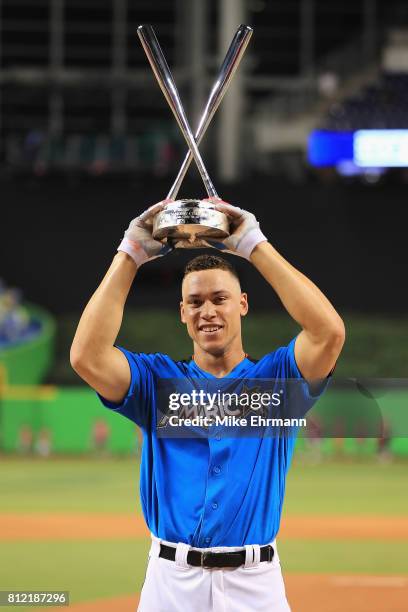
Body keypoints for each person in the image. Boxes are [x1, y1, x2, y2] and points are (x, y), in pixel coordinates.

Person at [70, 199, 345, 611]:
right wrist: (130, 252)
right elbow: (86, 357)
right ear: (182, 312)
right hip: (171, 585)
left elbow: (329, 333)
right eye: (195, 302)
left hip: (255, 586)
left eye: (220, 298)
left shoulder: (278, 382)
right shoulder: (156, 384)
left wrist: (253, 244)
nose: (208, 311)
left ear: (242, 304)